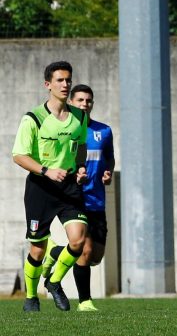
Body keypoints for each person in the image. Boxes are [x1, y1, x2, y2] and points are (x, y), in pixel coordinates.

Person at [12, 61, 89, 312]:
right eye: (60, 80)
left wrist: (80, 168)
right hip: (40, 188)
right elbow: (19, 155)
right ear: (48, 85)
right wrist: (46, 170)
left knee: (78, 241)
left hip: (68, 187)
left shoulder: (79, 116)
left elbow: (81, 147)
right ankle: (31, 298)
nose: (65, 84)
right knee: (37, 248)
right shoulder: (33, 118)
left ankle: (54, 282)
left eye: (68, 80)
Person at [42, 84, 115, 312]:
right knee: (83, 248)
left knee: (96, 256)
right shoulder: (66, 132)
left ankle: (54, 251)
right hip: (74, 198)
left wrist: (108, 172)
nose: (85, 104)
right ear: (71, 103)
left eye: (88, 101)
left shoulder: (103, 131)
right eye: (80, 100)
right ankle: (85, 302)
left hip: (97, 199)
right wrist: (75, 177)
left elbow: (109, 158)